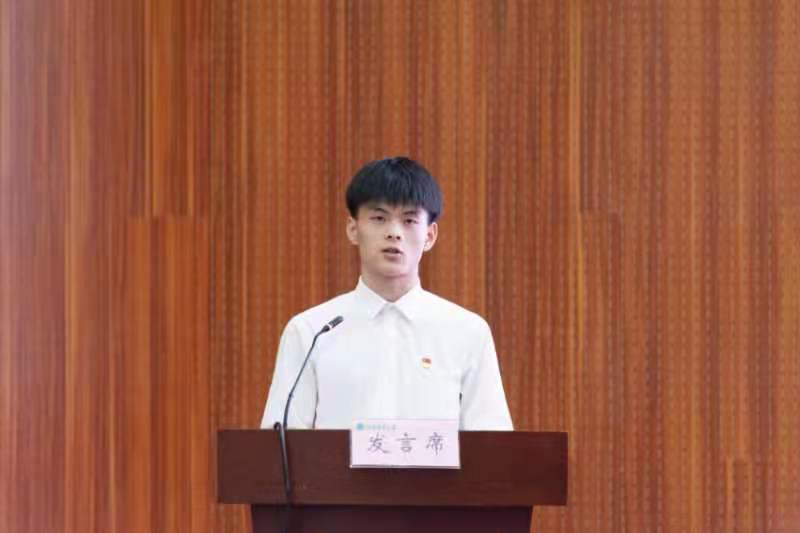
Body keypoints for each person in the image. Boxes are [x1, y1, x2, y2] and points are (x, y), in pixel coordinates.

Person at [260, 157, 513, 430]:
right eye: (379, 218)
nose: (394, 233)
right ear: (353, 229)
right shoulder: (311, 331)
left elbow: (492, 442)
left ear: (430, 236)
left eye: (409, 220)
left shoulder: (467, 331)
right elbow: (279, 445)